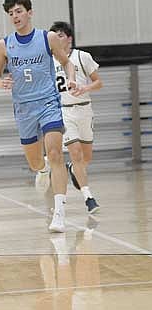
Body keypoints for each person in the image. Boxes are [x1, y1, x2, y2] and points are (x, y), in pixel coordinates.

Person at [0, 0, 77, 232]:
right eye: (11, 13)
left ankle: (59, 213)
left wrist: (70, 79)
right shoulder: (4, 44)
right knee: (35, 162)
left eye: (18, 11)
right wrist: (1, 83)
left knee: (55, 152)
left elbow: (67, 62)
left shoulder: (47, 37)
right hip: (24, 108)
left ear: (30, 12)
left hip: (48, 102)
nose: (15, 16)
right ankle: (43, 168)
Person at [49, 21, 102, 214]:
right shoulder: (49, 61)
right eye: (54, 36)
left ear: (69, 38)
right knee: (76, 153)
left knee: (86, 157)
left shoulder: (83, 56)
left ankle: (73, 170)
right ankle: (89, 197)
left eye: (60, 35)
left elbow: (98, 82)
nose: (57, 39)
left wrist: (85, 87)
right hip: (64, 111)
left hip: (85, 110)